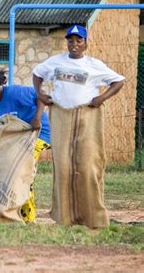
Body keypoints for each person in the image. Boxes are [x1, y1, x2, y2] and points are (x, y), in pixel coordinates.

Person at [33, 24, 125, 229]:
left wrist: (101, 98)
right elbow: (37, 73)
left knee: (87, 166)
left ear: (85, 44)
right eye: (71, 40)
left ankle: (92, 218)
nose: (74, 44)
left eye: (79, 40)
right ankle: (65, 217)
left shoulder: (94, 65)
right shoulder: (55, 62)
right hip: (61, 116)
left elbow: (119, 81)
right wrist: (40, 93)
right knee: (64, 166)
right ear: (66, 42)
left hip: (87, 116)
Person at [0, 68, 51, 223]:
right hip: (19, 139)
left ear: (2, 83)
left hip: (40, 134)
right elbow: (2, 125)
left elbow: (41, 97)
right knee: (10, 175)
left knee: (22, 174)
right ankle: (8, 214)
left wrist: (37, 119)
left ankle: (29, 220)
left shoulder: (16, 93)